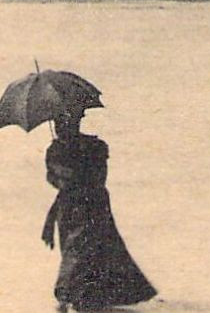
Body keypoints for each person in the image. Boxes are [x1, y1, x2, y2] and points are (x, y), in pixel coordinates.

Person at [41, 109, 157, 312]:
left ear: (74, 123)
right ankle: (80, 294)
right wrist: (59, 173)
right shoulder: (56, 150)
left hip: (90, 205)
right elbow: (52, 179)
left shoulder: (93, 147)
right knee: (76, 247)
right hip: (71, 206)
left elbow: (99, 176)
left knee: (84, 247)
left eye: (65, 123)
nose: (61, 128)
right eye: (59, 124)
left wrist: (69, 175)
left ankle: (68, 293)